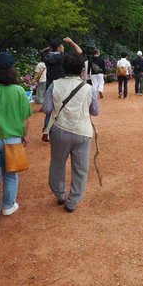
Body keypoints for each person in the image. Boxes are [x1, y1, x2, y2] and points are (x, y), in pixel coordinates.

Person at [41, 52, 99, 213]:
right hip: (82, 132)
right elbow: (95, 111)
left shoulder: (54, 85)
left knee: (57, 164)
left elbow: (46, 109)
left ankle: (60, 195)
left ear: (63, 68)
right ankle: (72, 202)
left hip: (59, 131)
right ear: (82, 69)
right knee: (80, 168)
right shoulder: (88, 88)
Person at [0, 52, 32, 229]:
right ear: (10, 70)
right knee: (10, 173)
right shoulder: (18, 91)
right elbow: (26, 117)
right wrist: (25, 136)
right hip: (12, 140)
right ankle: (9, 206)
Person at [40, 38, 83, 139]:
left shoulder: (46, 57)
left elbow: (42, 51)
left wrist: (50, 47)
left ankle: (47, 130)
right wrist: (71, 42)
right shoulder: (63, 57)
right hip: (63, 85)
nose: (63, 47)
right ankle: (64, 128)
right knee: (64, 106)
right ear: (59, 48)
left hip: (51, 84)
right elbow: (79, 52)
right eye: (62, 46)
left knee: (50, 109)